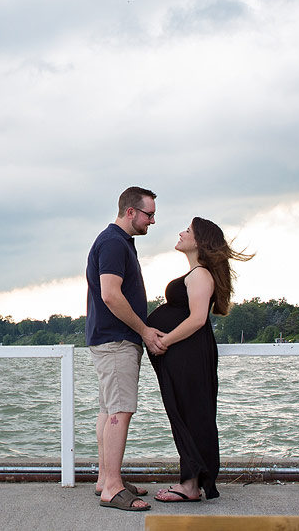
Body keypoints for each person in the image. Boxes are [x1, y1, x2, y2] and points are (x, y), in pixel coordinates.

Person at [146, 217, 251, 503]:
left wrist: (163, 341)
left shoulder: (201, 274)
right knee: (185, 413)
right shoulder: (195, 274)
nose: (181, 233)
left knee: (193, 415)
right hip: (184, 355)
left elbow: (196, 319)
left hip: (190, 355)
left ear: (200, 242)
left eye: (188, 231)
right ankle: (190, 482)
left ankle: (191, 486)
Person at [85, 186, 167, 512]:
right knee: (120, 411)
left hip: (109, 337)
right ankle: (113, 489)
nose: (153, 221)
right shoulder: (113, 243)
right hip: (117, 340)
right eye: (149, 214)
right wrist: (145, 331)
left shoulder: (117, 243)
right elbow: (110, 294)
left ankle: (107, 479)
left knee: (108, 410)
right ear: (130, 212)